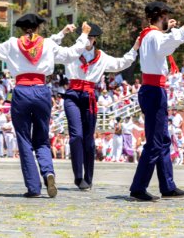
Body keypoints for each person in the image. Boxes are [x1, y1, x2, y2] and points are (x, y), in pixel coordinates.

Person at [0, 15, 89, 197]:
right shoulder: (47, 44)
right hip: (41, 90)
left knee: (23, 138)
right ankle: (48, 172)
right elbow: (71, 54)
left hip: (21, 90)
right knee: (42, 137)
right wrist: (84, 35)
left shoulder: (12, 43)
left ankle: (33, 187)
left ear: (21, 29)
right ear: (38, 28)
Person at [128, 1, 184, 201]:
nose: (168, 20)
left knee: (163, 140)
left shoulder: (148, 35)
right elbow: (166, 47)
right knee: (156, 142)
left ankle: (167, 185)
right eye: (166, 16)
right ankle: (139, 186)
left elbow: (162, 43)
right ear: (161, 16)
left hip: (152, 88)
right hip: (155, 90)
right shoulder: (155, 36)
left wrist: (171, 30)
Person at [58, 22, 139, 189]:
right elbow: (51, 50)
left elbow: (120, 63)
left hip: (89, 96)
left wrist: (135, 48)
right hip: (72, 95)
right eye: (86, 36)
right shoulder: (72, 52)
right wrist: (63, 32)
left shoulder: (101, 57)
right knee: (76, 136)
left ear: (94, 39)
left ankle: (88, 178)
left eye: (90, 37)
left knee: (88, 139)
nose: (88, 40)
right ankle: (78, 176)